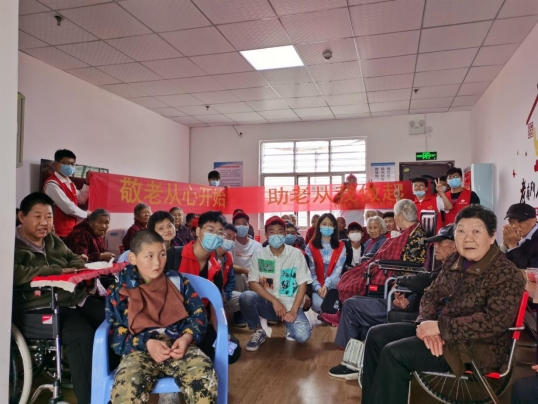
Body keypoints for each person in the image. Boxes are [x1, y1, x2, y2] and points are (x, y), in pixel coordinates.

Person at [360, 205, 526, 404]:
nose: (468, 238)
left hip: (478, 346)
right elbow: (431, 293)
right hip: (444, 331)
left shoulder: (506, 273)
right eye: (461, 231)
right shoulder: (454, 260)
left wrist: (440, 328)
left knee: (394, 353)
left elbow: (494, 321)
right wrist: (426, 322)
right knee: (376, 335)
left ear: (492, 237)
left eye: (476, 231)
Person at [328, 224, 456, 379]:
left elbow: (428, 280)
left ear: (454, 245)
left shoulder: (453, 269)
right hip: (411, 305)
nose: (435, 246)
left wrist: (402, 281)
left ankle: (353, 364)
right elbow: (428, 286)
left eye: (440, 242)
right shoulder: (447, 266)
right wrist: (408, 300)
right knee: (353, 301)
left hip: (419, 315)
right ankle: (357, 358)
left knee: (351, 305)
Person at [105, 230, 217, 404]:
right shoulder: (119, 290)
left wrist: (186, 338)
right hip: (138, 352)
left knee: (204, 379)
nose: (157, 262)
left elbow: (198, 314)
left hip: (178, 348)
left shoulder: (177, 281)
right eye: (149, 256)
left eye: (162, 254)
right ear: (133, 258)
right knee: (126, 390)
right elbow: (115, 333)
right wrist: (146, 343)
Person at [14, 192, 104, 404]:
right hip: (40, 306)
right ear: (22, 216)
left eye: (49, 217)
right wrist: (56, 271)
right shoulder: (12, 245)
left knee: (113, 318)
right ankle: (90, 399)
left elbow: (74, 259)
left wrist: (76, 267)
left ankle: (113, 386)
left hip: (72, 299)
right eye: (38, 216)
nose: (44, 223)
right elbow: (16, 273)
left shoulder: (52, 240)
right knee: (81, 334)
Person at [165, 211, 242, 360]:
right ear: (198, 231)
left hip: (197, 323)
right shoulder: (173, 256)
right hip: (168, 323)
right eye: (210, 230)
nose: (215, 236)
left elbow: (215, 307)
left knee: (232, 352)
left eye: (220, 233)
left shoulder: (216, 269)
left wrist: (222, 333)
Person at [239, 216, 313, 351]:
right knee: (246, 297)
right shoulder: (259, 255)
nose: (276, 235)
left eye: (280, 231)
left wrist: (294, 311)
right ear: (266, 235)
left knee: (303, 336)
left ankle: (289, 326)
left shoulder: (296, 254)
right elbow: (253, 282)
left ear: (285, 233)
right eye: (272, 232)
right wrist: (274, 301)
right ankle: (258, 330)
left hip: (290, 305)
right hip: (267, 304)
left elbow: (303, 283)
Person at [337, 199, 427, 304]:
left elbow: (411, 266)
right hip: (388, 266)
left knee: (350, 284)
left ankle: (348, 308)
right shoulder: (409, 231)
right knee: (348, 276)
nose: (394, 218)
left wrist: (399, 282)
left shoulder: (417, 236)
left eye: (395, 216)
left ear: (401, 218)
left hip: (392, 271)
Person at [305, 213, 347, 314]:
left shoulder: (341, 246)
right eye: (324, 224)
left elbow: (338, 270)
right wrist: (318, 288)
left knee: (334, 306)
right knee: (318, 305)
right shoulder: (310, 246)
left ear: (334, 227)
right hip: (317, 285)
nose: (327, 227)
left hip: (333, 284)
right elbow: (310, 271)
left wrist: (327, 285)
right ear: (319, 226)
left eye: (330, 224)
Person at [43, 149, 90, 238]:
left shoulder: (69, 182)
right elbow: (69, 209)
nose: (70, 166)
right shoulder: (52, 184)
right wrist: (86, 214)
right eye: (65, 163)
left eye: (72, 164)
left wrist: (87, 182)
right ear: (56, 164)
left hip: (71, 230)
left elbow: (81, 199)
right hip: (58, 232)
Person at [231, 211, 262, 296]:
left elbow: (261, 266)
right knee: (239, 277)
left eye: (244, 224)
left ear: (248, 226)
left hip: (253, 280)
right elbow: (229, 265)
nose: (241, 227)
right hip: (237, 281)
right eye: (238, 224)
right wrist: (245, 271)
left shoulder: (257, 246)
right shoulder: (231, 244)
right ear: (233, 226)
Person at [215, 224, 242, 320]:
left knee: (243, 298)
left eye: (234, 238)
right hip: (208, 295)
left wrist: (225, 295)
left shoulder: (228, 257)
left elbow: (231, 280)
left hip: (223, 294)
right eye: (228, 236)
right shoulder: (209, 254)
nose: (231, 240)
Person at [503, 202, 538, 268]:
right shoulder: (520, 237)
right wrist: (505, 244)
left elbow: (529, 270)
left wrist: (513, 245)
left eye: (520, 221)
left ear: (533, 221)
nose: (514, 226)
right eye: (510, 221)